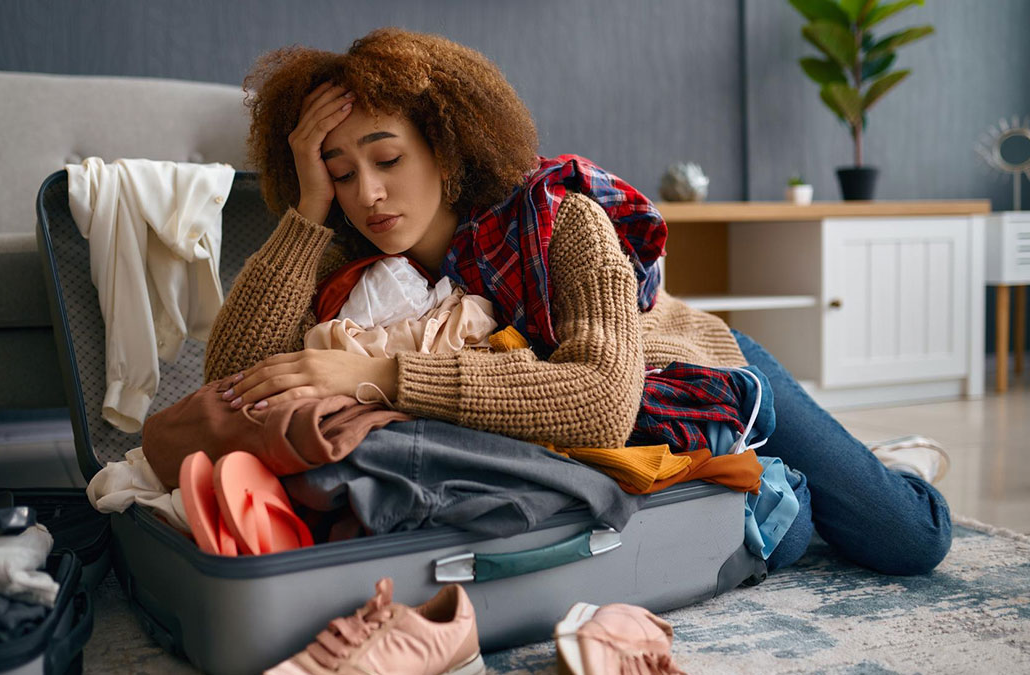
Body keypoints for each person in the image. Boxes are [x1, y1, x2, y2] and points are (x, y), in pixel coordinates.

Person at [203, 28, 951, 575]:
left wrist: (378, 375)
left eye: (387, 158)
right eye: (339, 171)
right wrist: (306, 209)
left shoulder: (561, 220)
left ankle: (878, 464)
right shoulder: (347, 256)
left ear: (444, 146)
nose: (367, 192)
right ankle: (813, 473)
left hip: (692, 371)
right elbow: (229, 383)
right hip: (627, 446)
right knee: (789, 533)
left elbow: (601, 401)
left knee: (908, 539)